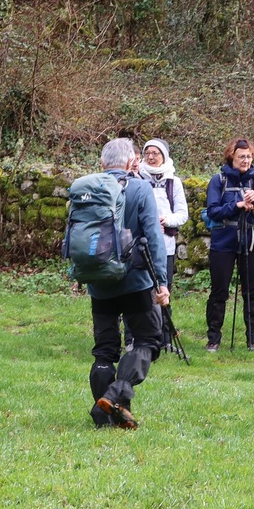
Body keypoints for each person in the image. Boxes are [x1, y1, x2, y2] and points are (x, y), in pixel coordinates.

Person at [77, 138, 169, 429]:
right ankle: (115, 395)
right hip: (134, 281)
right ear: (131, 163)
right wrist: (162, 281)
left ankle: (106, 416)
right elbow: (154, 237)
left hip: (98, 280)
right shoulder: (140, 188)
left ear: (102, 164)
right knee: (147, 340)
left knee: (104, 350)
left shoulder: (86, 189)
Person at [204, 138, 254, 351]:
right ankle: (213, 339)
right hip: (223, 242)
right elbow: (213, 211)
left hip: (250, 242)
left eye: (249, 156)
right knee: (219, 292)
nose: (246, 160)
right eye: (241, 156)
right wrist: (237, 205)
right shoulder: (218, 180)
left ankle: (253, 339)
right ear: (231, 156)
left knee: (252, 292)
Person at [123, 139, 187, 350]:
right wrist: (147, 225)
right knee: (135, 292)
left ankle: (164, 339)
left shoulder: (173, 182)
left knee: (163, 290)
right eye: (147, 153)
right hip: (138, 246)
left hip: (165, 246)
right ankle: (132, 339)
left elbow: (182, 214)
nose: (150, 157)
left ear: (164, 156)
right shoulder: (135, 179)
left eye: (155, 153)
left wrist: (164, 221)